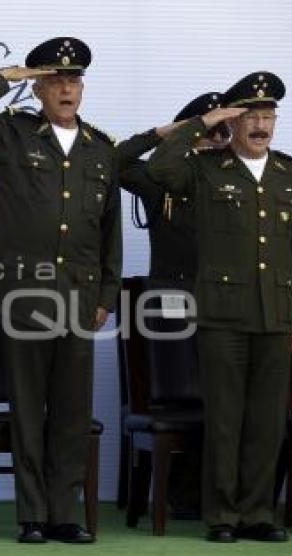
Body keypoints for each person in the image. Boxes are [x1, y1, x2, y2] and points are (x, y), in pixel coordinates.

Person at [0, 37, 122, 544]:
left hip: (78, 295)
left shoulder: (102, 148)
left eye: (73, 81)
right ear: (41, 88)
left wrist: (106, 297)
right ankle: (31, 514)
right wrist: (9, 78)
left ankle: (63, 513)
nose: (66, 88)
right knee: (28, 408)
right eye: (56, 80)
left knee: (70, 410)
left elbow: (110, 231)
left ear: (82, 89)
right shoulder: (12, 132)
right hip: (24, 293)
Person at [148, 71, 292, 543]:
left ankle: (258, 513)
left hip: (277, 314)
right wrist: (201, 122)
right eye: (250, 115)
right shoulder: (207, 169)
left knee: (267, 422)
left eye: (267, 115)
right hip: (223, 314)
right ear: (232, 121)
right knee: (226, 420)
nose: (260, 124)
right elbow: (159, 170)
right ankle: (224, 517)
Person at [117, 93, 229, 519]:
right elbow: (114, 161)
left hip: (225, 302)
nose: (219, 137)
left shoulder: (233, 176)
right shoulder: (158, 177)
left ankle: (220, 494)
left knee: (228, 398)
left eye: (224, 129)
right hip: (172, 305)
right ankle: (184, 496)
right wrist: (164, 133)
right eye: (210, 128)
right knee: (189, 398)